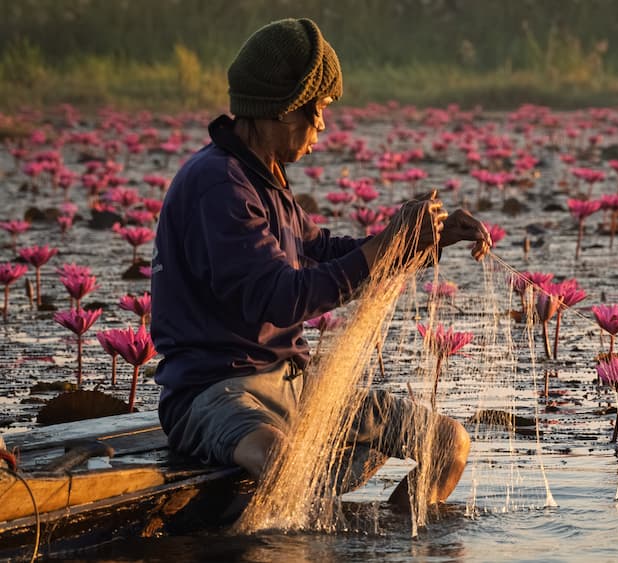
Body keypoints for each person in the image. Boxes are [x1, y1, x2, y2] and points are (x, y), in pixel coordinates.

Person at [150, 17, 491, 509]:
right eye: (319, 109)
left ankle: (396, 543)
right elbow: (281, 296)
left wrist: (420, 243)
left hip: (293, 385)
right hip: (216, 393)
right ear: (284, 110)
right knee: (285, 465)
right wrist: (386, 244)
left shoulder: (265, 182)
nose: (323, 125)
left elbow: (324, 250)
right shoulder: (218, 185)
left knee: (447, 443)